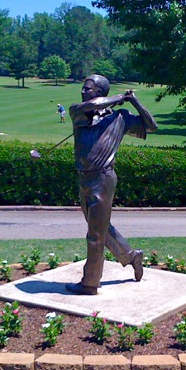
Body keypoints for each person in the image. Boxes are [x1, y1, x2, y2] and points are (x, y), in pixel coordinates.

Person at [65, 74, 158, 295]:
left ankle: (90, 283)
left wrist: (134, 102)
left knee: (95, 235)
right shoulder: (78, 112)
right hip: (83, 178)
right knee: (100, 228)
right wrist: (119, 97)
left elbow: (151, 126)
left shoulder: (121, 118)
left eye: (88, 89)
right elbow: (93, 106)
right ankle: (130, 255)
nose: (83, 91)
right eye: (83, 88)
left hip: (103, 179)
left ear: (99, 91)